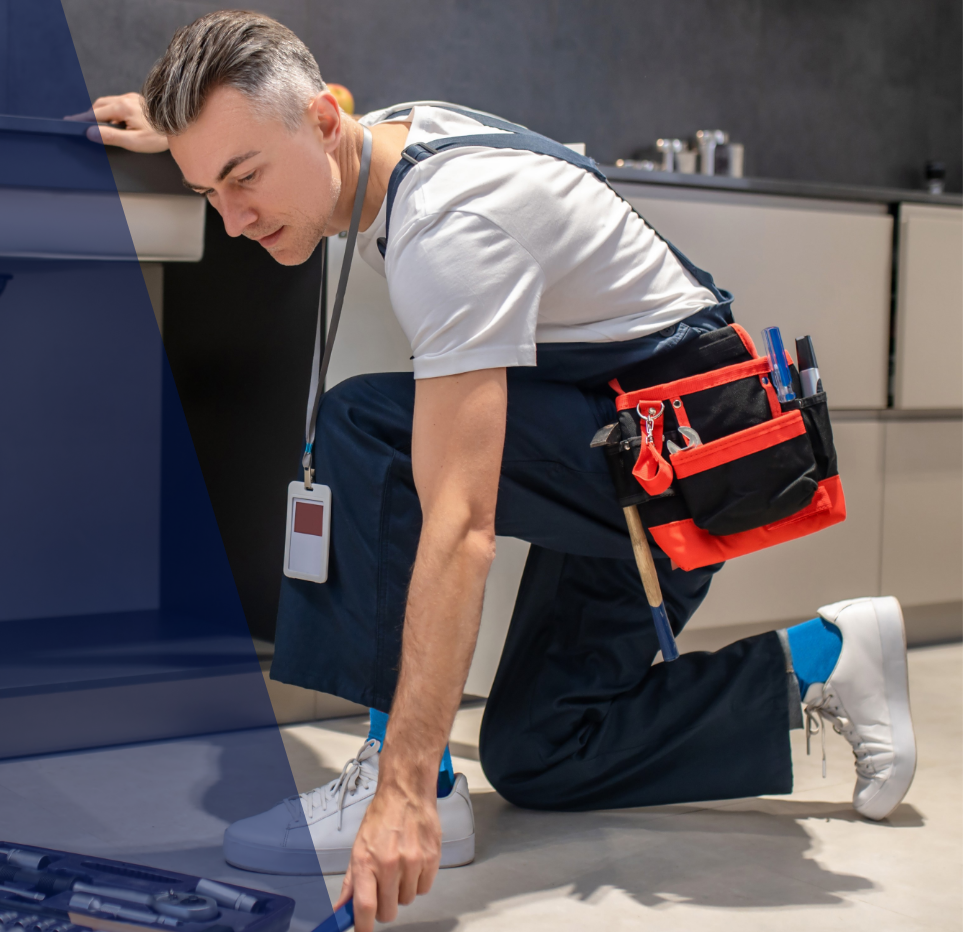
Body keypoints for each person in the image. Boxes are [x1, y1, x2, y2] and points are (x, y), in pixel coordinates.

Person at [75, 11, 918, 931]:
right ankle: (831, 660)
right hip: (617, 441)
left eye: (242, 178)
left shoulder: (450, 225)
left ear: (319, 127)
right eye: (208, 190)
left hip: (677, 463)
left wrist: (405, 783)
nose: (234, 221)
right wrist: (190, 135)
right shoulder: (369, 130)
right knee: (541, 753)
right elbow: (316, 103)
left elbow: (460, 525)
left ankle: (407, 780)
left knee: (371, 428)